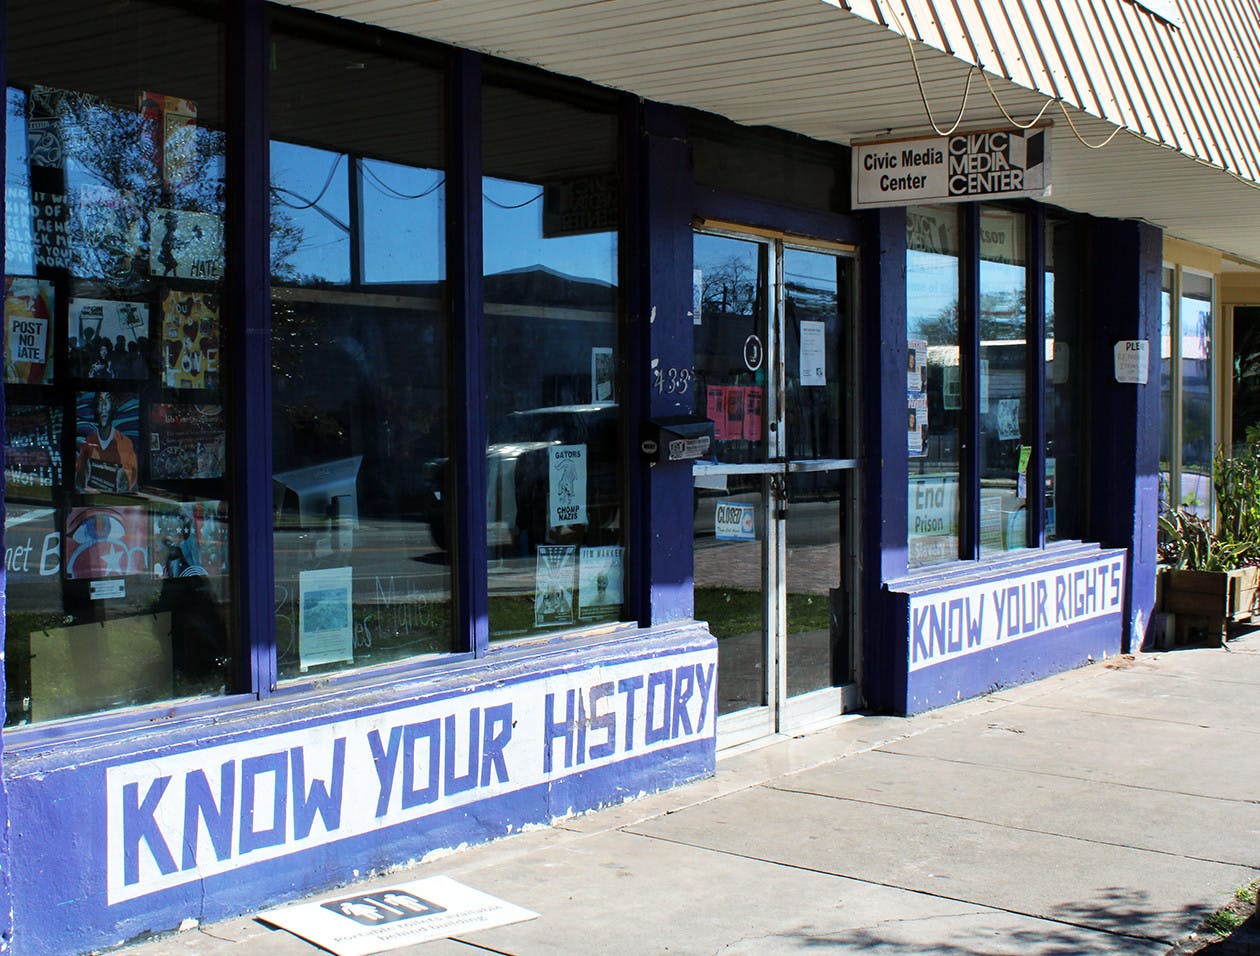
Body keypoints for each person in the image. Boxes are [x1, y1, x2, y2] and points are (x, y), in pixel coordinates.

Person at [74, 391, 139, 492]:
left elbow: (132, 486)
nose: (103, 407)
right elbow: (79, 480)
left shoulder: (125, 443)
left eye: (107, 401)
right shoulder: (88, 441)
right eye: (100, 402)